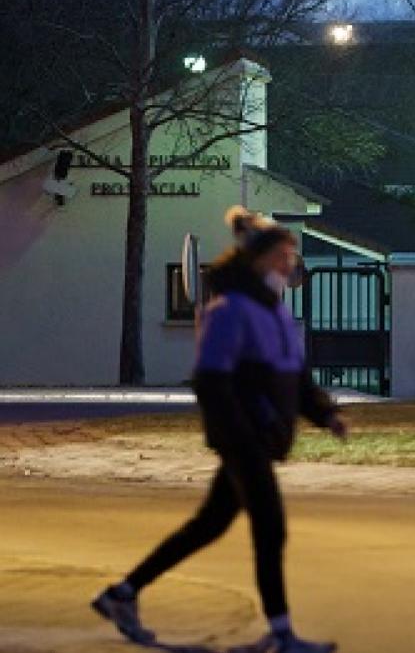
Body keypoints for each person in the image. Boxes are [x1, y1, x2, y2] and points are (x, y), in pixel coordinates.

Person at [92, 206, 349, 653]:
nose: (290, 263)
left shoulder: (276, 313)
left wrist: (324, 415)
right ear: (258, 260)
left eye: (291, 255)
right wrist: (240, 436)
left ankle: (122, 594)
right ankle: (282, 633)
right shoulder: (230, 311)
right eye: (282, 256)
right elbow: (212, 382)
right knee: (270, 528)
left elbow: (296, 376)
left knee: (208, 525)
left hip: (260, 439)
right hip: (244, 440)